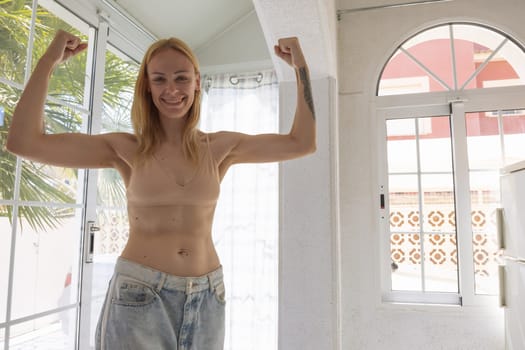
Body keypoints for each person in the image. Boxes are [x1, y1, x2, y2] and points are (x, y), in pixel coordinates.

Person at [6, 29, 316, 349]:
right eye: (159, 79)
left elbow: (301, 143)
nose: (171, 89)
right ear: (147, 86)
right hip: (141, 293)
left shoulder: (220, 147)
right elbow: (24, 142)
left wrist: (301, 68)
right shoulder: (125, 148)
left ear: (197, 81)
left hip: (208, 294)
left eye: (181, 78)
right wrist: (48, 62)